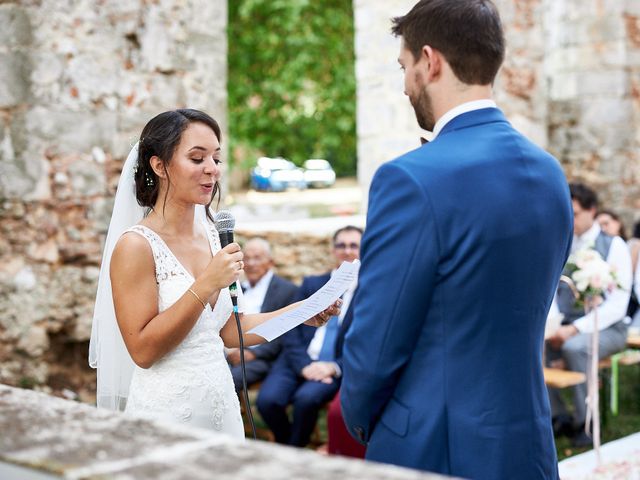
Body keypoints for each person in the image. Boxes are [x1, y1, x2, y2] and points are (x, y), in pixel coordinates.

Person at [340, 1, 573, 478]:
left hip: (434, 447)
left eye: (405, 67)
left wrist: (362, 418)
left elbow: (377, 339)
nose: (406, 85)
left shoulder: (411, 178)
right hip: (527, 443)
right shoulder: (549, 172)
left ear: (431, 61)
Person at [88, 109, 340, 438]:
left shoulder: (212, 231)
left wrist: (301, 313)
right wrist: (206, 283)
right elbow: (143, 351)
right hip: (167, 414)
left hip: (221, 406)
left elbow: (228, 332)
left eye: (216, 158)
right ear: (159, 166)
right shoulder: (136, 246)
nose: (212, 169)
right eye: (197, 158)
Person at [256, 226, 362, 447]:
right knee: (267, 401)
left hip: (333, 365)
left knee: (305, 400)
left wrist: (334, 366)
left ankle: (292, 450)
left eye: (354, 245)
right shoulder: (312, 284)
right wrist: (303, 366)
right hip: (297, 358)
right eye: (341, 245)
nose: (347, 251)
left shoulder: (369, 290)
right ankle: (291, 446)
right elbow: (291, 328)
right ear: (333, 250)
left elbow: (368, 342)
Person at [547, 183, 632, 447]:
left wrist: (574, 329)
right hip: (569, 324)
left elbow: (618, 303)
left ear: (592, 210)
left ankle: (588, 421)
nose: (570, 219)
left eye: (575, 213)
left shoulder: (614, 245)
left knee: (575, 348)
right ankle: (557, 415)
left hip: (611, 328)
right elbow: (555, 290)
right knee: (536, 344)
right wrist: (553, 327)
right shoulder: (565, 241)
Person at [226, 237, 298, 392]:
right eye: (248, 258)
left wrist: (252, 353)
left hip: (263, 358)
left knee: (229, 380)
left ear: (270, 262)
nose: (251, 263)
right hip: (231, 353)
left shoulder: (287, 290)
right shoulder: (238, 289)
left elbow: (285, 331)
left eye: (257, 258)